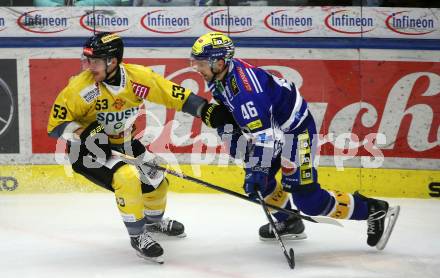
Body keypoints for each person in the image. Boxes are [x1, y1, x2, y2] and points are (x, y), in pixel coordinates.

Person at [193, 32, 400, 250]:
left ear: (219, 62)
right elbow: (237, 114)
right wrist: (232, 134)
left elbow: (266, 137)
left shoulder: (246, 91)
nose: (197, 68)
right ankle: (289, 221)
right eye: (195, 62)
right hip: (274, 130)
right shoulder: (220, 77)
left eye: (201, 63)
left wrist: (257, 170)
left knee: (308, 202)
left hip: (295, 133)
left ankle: (372, 209)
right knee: (260, 181)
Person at [47, 32, 207, 263]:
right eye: (87, 60)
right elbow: (55, 125)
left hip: (124, 143)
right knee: (127, 177)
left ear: (112, 61)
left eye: (95, 61)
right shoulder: (79, 88)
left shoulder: (138, 78)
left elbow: (174, 94)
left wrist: (206, 110)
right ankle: (138, 235)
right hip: (86, 150)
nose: (88, 67)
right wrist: (85, 133)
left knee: (156, 177)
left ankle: (152, 222)